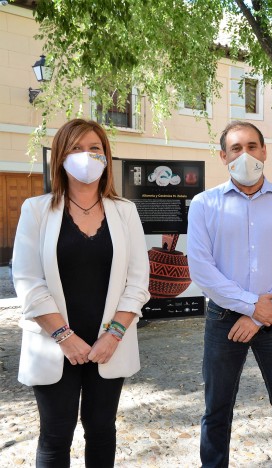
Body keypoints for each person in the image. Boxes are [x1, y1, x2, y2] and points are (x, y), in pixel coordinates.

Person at [12, 119, 151, 467]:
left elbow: (137, 281)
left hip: (108, 345)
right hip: (53, 343)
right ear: (60, 157)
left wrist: (114, 334)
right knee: (56, 435)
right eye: (75, 148)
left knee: (102, 430)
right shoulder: (36, 210)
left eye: (95, 149)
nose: (86, 156)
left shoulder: (125, 211)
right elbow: (27, 281)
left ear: (106, 158)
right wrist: (64, 336)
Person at [187, 121, 272, 468]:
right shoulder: (204, 204)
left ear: (265, 151)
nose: (246, 154)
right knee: (217, 410)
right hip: (224, 321)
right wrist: (251, 306)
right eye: (237, 148)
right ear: (223, 156)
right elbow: (202, 269)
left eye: (253, 146)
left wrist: (258, 315)